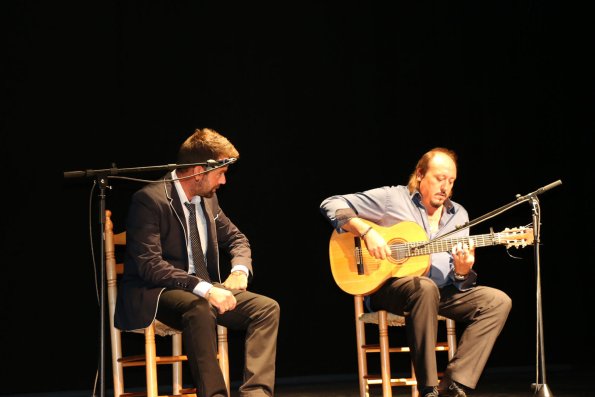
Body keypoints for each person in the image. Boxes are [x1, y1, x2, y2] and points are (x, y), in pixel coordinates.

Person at [319, 147, 511, 397]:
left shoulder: (459, 215)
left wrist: (463, 272)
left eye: (451, 181)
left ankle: (454, 384)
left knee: (497, 301)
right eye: (440, 178)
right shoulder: (393, 199)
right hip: (390, 288)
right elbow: (331, 203)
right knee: (424, 288)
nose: (445, 187)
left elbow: (458, 279)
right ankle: (428, 388)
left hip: (440, 292)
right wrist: (366, 232)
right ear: (420, 174)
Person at [115, 128, 280, 397]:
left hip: (201, 290)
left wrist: (239, 270)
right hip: (156, 293)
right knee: (199, 307)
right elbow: (150, 265)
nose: (224, 181)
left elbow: (237, 239)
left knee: (266, 309)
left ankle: (257, 394)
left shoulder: (209, 199)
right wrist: (206, 289)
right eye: (221, 173)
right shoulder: (149, 200)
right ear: (198, 171)